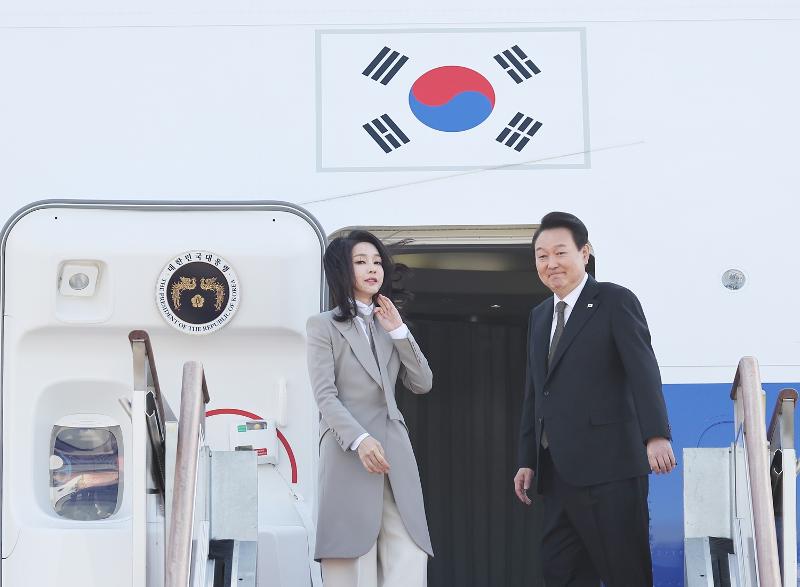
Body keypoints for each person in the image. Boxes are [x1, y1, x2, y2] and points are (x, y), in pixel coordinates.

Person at [514, 211, 676, 586]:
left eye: (560, 252)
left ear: (584, 253)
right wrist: (527, 459)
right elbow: (535, 393)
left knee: (624, 572)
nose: (550, 263)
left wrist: (655, 435)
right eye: (541, 255)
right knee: (561, 572)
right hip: (557, 472)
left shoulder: (614, 301)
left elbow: (643, 370)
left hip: (612, 470)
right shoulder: (539, 316)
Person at [306, 230, 433, 587]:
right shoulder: (322, 326)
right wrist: (359, 439)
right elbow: (325, 396)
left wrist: (399, 332)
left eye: (377, 262)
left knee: (409, 554)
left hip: (395, 452)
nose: (372, 269)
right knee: (352, 559)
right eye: (361, 262)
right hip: (348, 451)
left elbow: (422, 383)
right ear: (342, 271)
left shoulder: (388, 322)